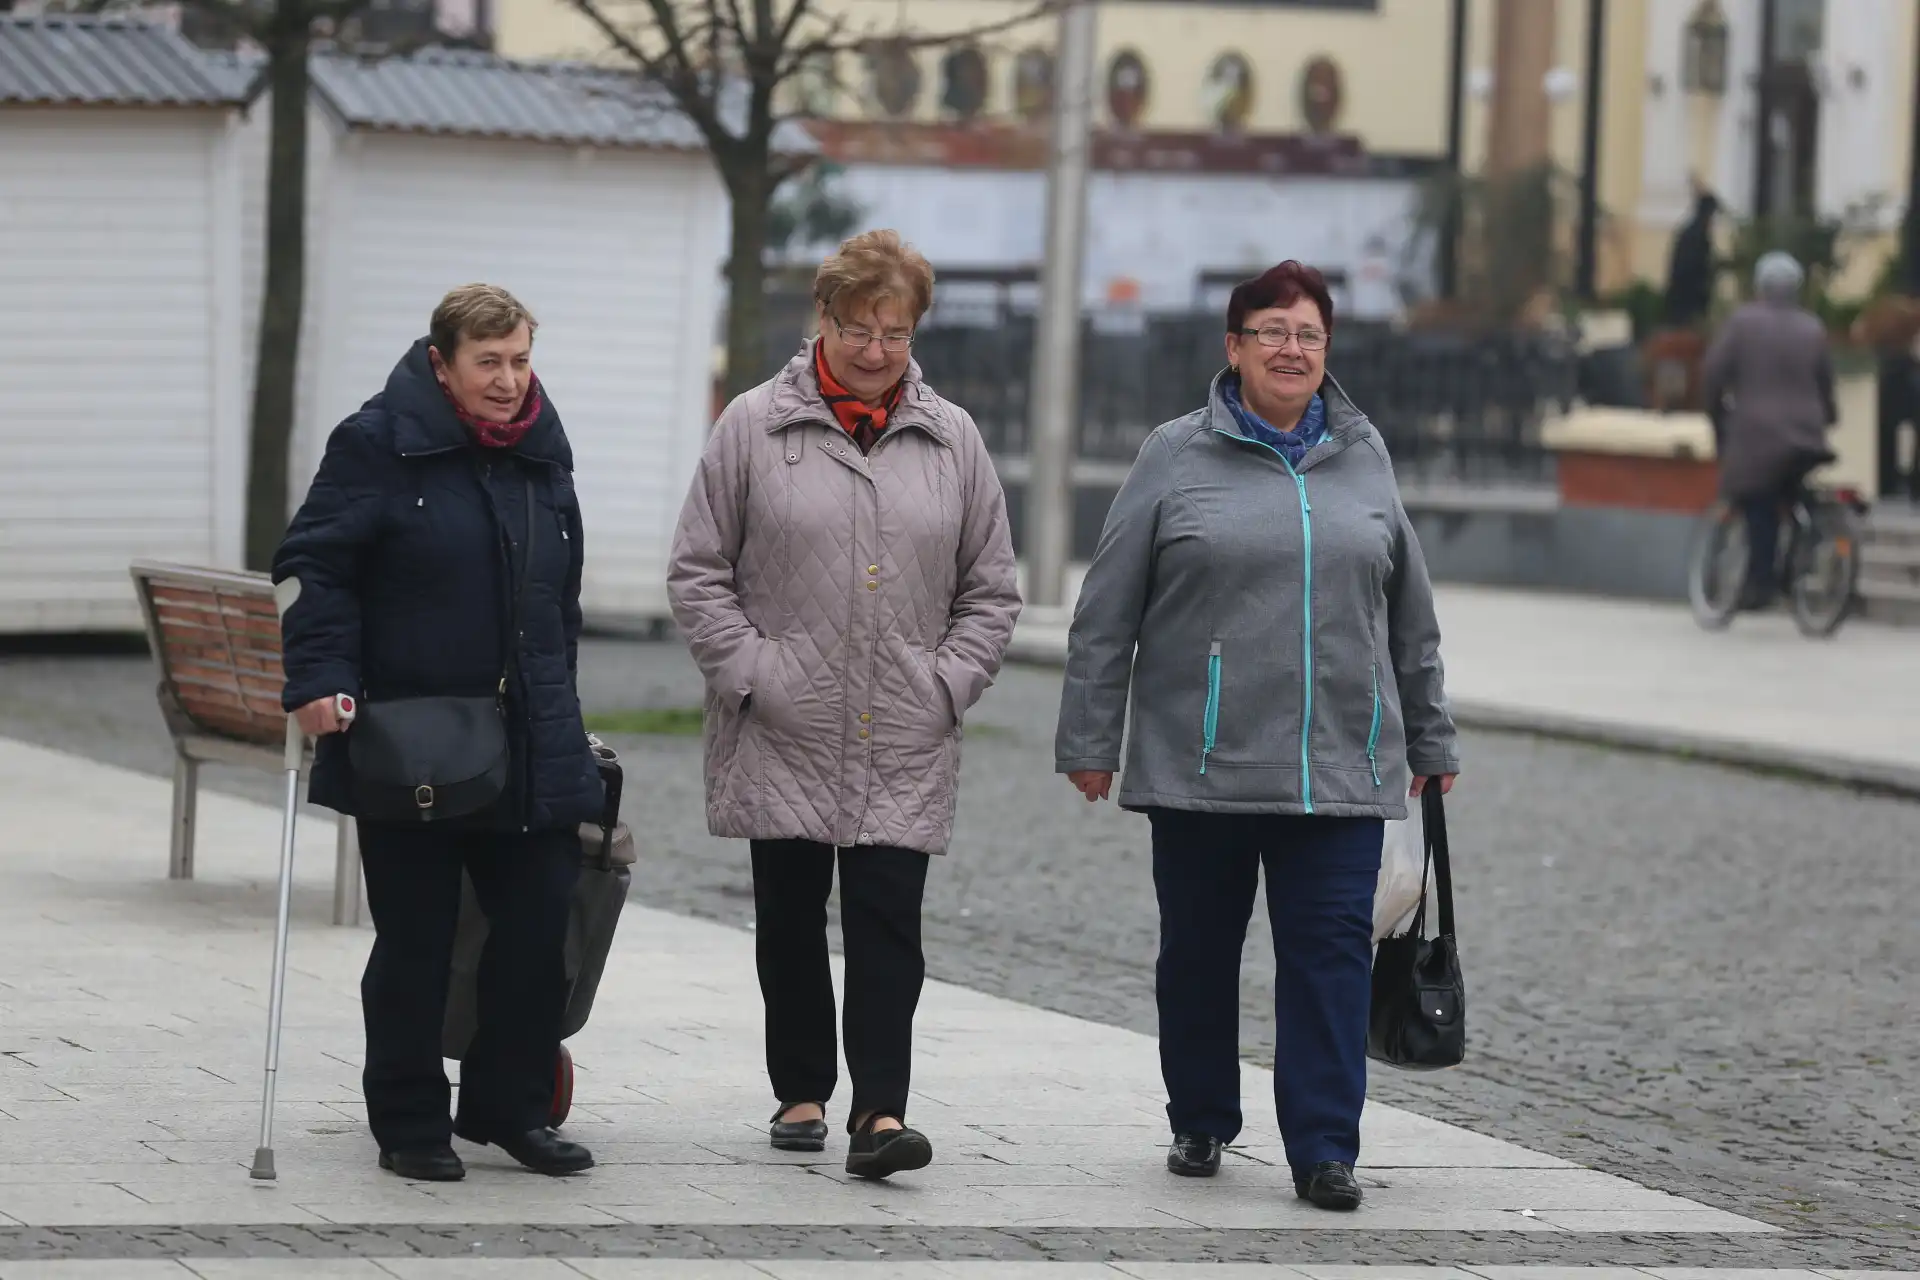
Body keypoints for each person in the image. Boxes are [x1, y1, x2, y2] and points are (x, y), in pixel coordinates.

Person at [1053, 261, 1460, 1212]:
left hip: (1342, 767)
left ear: (1328, 352)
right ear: (1233, 349)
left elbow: (1412, 616)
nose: (1291, 349)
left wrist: (1431, 742)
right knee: (1197, 952)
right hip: (1204, 765)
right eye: (1270, 331)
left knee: (1328, 961)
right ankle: (1200, 1115)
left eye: (1308, 334)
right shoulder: (1174, 455)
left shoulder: (1367, 456)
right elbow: (1107, 609)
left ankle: (1325, 1149)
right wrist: (1090, 736)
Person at [667, 230, 1021, 1180]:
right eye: (859, 328)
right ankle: (800, 1090)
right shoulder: (752, 425)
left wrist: (947, 684)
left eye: (895, 333)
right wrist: (752, 674)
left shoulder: (955, 440)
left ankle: (881, 1112)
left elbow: (992, 591)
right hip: (784, 717)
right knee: (788, 915)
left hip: (904, 725)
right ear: (822, 319)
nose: (875, 350)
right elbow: (699, 572)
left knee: (886, 922)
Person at [273, 284, 603, 1181]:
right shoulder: (376, 444)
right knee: (416, 943)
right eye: (488, 363)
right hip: (411, 738)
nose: (508, 381)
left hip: (531, 736)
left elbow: (556, 602)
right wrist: (320, 678)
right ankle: (412, 1121)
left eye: (521, 360)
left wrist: (564, 717)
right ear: (441, 362)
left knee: (541, 934)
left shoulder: (543, 450)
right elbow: (316, 568)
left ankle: (509, 1107)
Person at [1701, 251, 1838, 609]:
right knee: (1791, 490)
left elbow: (1714, 373)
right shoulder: (1813, 327)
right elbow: (1826, 383)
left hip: (1758, 435)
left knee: (1755, 497)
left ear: (1759, 286)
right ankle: (1801, 556)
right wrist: (1828, 418)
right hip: (1808, 431)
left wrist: (1715, 413)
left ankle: (1760, 582)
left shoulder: (1742, 322)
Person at [1664, 190, 1721, 329]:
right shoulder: (1697, 236)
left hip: (1682, 294)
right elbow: (1695, 266)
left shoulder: (1689, 232)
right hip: (1689, 297)